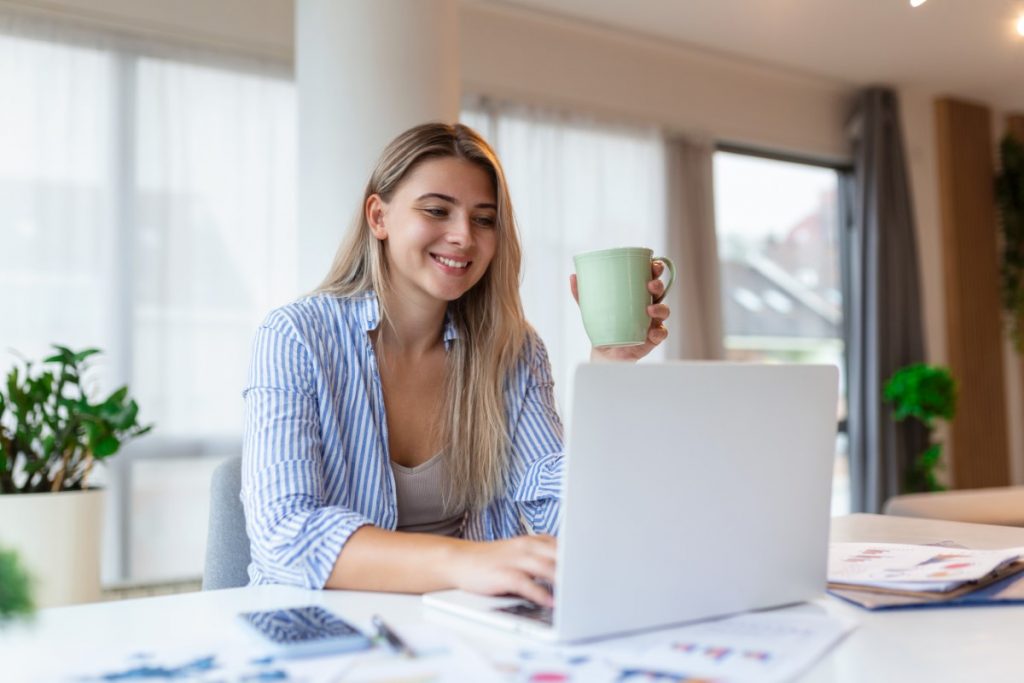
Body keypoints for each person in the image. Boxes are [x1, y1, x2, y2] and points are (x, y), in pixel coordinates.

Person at [241, 122, 670, 607]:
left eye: (484, 219)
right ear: (378, 217)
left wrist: (609, 370)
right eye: (437, 210)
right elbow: (284, 535)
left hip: (466, 625)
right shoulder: (295, 337)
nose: (464, 236)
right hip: (324, 627)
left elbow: (562, 510)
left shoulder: (512, 351)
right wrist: (465, 562)